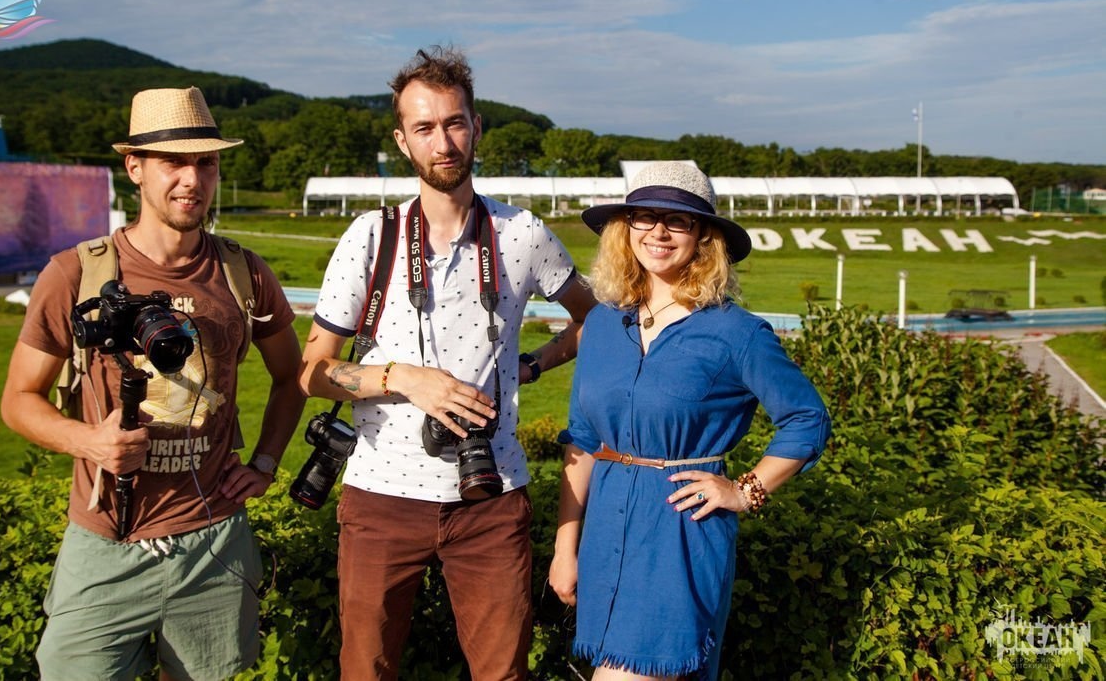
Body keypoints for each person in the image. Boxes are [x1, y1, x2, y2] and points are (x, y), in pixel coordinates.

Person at [299, 45, 596, 680]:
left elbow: (593, 322)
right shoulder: (369, 237)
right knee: (366, 671)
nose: (444, 141)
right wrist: (403, 379)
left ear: (476, 127)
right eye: (425, 127)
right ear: (402, 140)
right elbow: (313, 371)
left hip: (491, 495)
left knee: (502, 673)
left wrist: (531, 365)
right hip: (380, 495)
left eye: (455, 122)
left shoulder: (523, 235)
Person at [0, 87, 306, 680]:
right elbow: (17, 400)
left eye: (206, 162)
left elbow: (290, 378)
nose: (192, 179)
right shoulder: (76, 273)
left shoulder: (244, 273)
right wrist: (89, 443)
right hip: (105, 540)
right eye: (174, 162)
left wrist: (266, 463)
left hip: (215, 542)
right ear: (134, 168)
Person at [549, 162, 831, 680]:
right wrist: (565, 549)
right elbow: (583, 441)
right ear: (624, 228)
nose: (658, 231)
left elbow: (807, 419)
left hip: (678, 533)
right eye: (644, 216)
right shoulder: (604, 325)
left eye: (677, 220)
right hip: (604, 534)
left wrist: (746, 490)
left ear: (704, 236)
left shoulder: (735, 333)